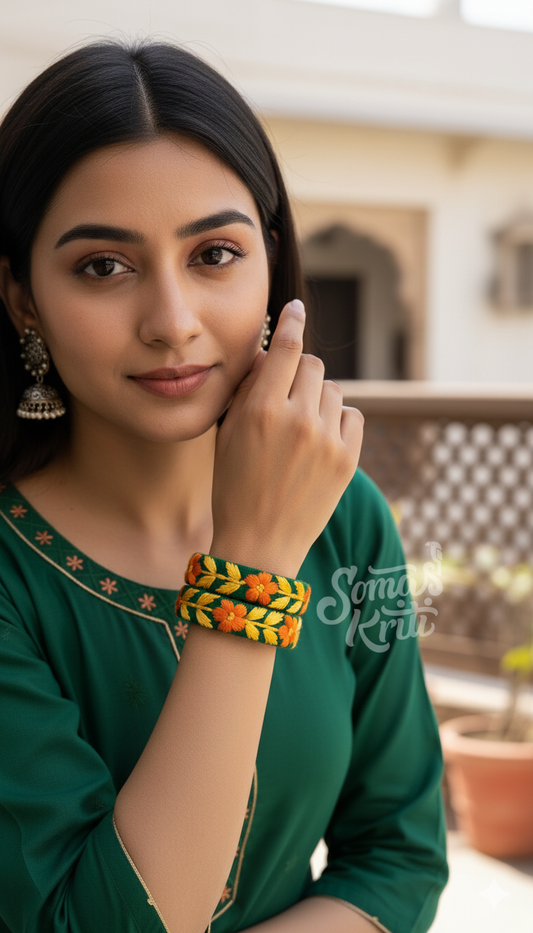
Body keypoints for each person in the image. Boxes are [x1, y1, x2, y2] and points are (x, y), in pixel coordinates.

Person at [0, 38, 448, 933]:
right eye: (102, 266)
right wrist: (248, 565)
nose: (172, 322)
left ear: (272, 266)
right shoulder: (15, 575)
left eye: (214, 254)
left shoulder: (347, 518)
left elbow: (400, 854)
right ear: (22, 300)